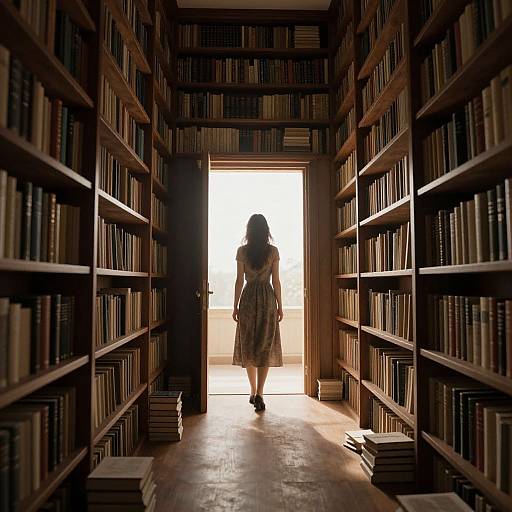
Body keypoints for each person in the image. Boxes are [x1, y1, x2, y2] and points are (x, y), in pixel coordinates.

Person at [232, 214, 283, 412]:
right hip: (267, 299)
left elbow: (238, 281)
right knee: (264, 346)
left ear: (249, 231)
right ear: (266, 230)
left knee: (249, 346)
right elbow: (276, 281)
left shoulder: (242, 251)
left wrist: (235, 305)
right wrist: (280, 305)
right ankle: (260, 392)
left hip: (248, 299)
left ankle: (252, 390)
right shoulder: (273, 252)